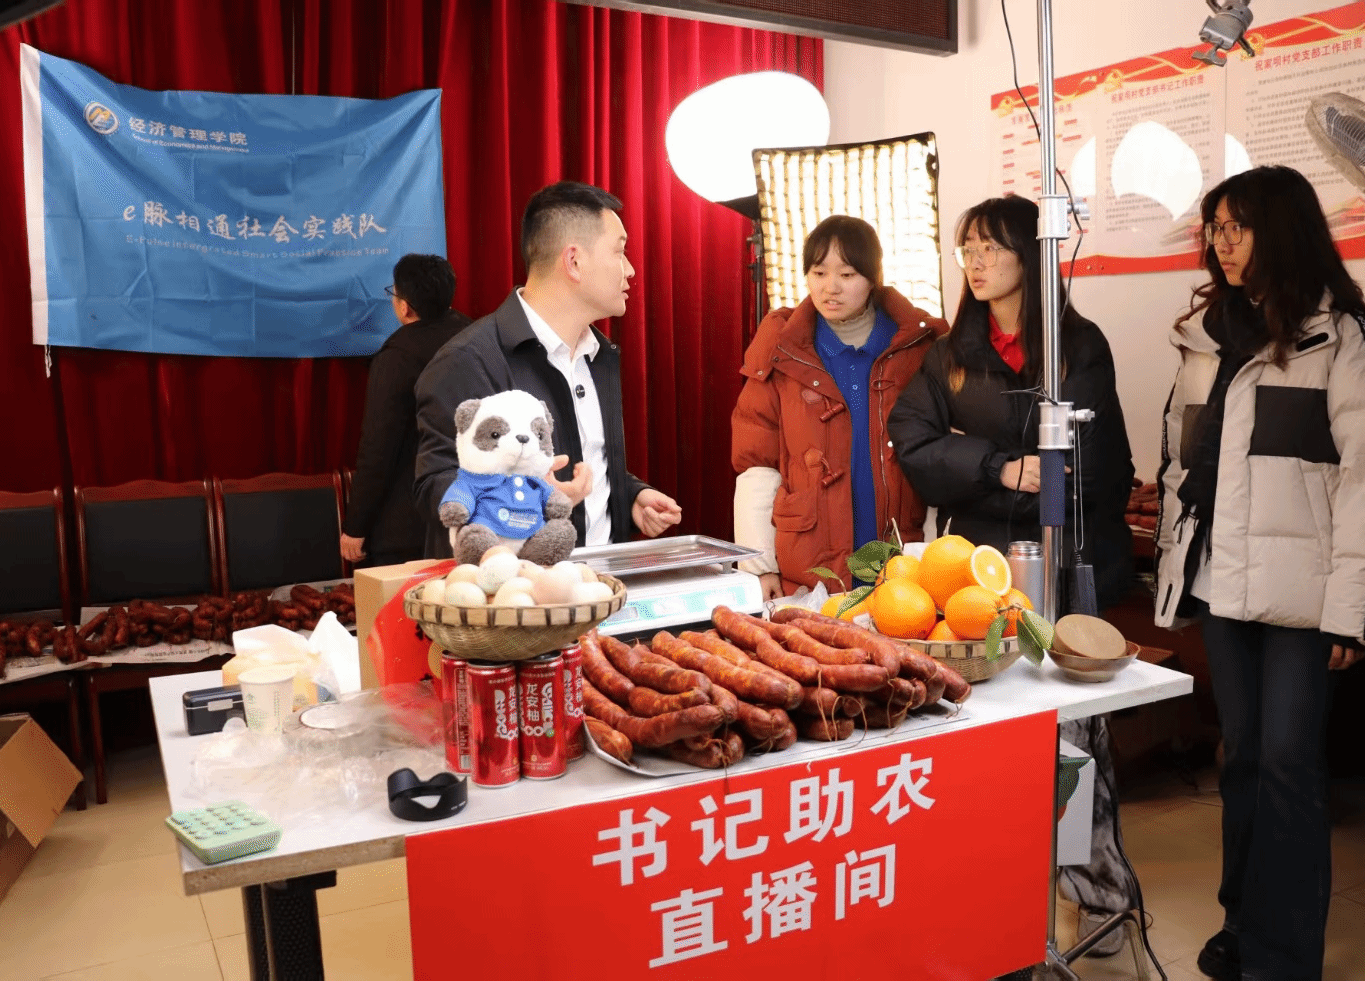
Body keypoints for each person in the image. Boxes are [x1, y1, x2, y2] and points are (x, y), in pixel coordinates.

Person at [1154, 165, 1365, 981]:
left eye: (1239, 227)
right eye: (1216, 229)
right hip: (1224, 586)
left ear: (1285, 229)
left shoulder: (1349, 339)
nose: (1223, 244)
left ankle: (1284, 956)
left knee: (1288, 766)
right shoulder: (1208, 339)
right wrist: (1176, 568)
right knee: (1241, 759)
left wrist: (1357, 611)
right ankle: (1242, 921)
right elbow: (1181, 464)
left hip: (1305, 597)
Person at [887, 194, 1138, 957]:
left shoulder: (1077, 345)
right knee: (985, 734)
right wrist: (1000, 467)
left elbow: (1096, 468)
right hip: (976, 578)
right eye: (967, 247)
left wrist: (1006, 475)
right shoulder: (950, 354)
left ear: (1031, 252)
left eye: (991, 246)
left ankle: (1090, 894)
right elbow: (912, 439)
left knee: (1074, 741)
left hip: (1065, 566)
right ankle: (989, 894)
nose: (976, 261)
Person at [414, 181, 680, 557]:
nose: (631, 269)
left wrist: (629, 495)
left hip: (601, 580)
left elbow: (582, 460)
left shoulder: (599, 354)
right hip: (516, 586)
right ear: (573, 261)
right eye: (619, 252)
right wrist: (531, 500)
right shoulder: (467, 361)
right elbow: (435, 488)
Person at [731, 215, 947, 597]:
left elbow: (939, 459)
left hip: (905, 563)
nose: (830, 287)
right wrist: (760, 569)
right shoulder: (780, 349)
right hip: (807, 569)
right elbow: (757, 467)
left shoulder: (918, 348)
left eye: (847, 275)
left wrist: (940, 559)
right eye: (818, 273)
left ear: (873, 277)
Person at [340, 255, 470, 567]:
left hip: (409, 524)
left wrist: (356, 526)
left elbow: (378, 447)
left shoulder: (397, 357)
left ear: (405, 307)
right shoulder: (478, 339)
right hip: (475, 511)